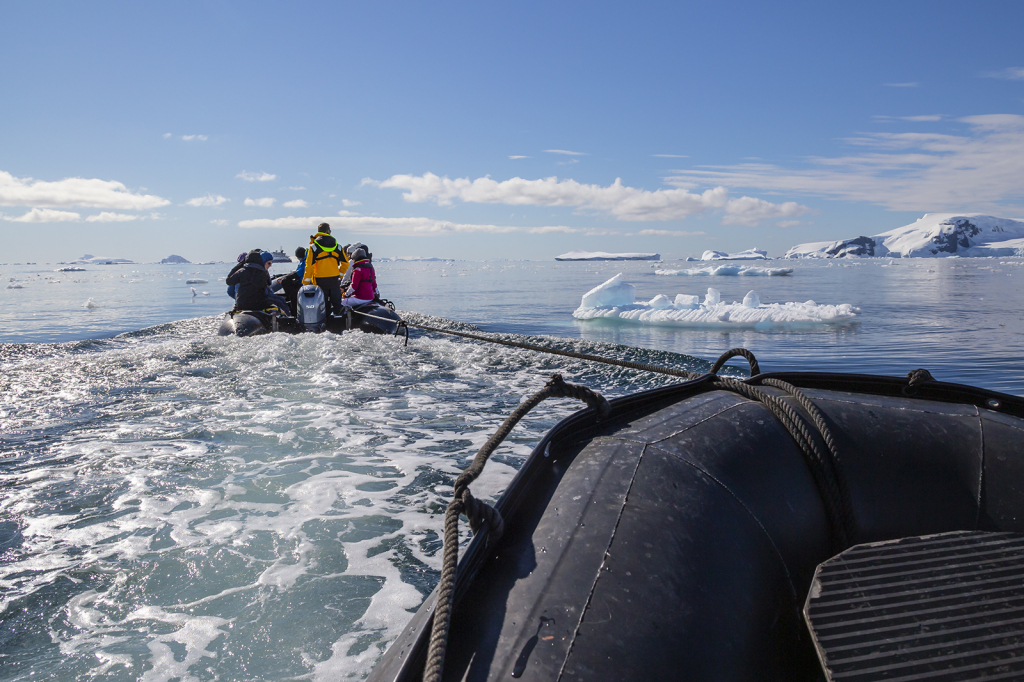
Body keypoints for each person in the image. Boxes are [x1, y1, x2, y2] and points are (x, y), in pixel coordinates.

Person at [226, 250, 291, 314]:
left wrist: (239, 265)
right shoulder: (263, 273)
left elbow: (228, 281)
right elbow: (268, 286)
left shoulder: (241, 271)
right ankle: (289, 317)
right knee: (279, 301)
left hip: (242, 304)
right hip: (258, 305)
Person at [302, 223, 347, 317]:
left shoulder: (313, 247)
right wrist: (340, 275)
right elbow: (345, 263)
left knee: (323, 305)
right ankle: (340, 325)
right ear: (328, 231)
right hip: (334, 280)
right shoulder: (338, 246)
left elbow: (309, 266)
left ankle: (324, 326)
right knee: (337, 305)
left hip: (320, 280)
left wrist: (306, 282)